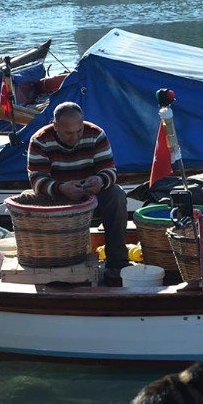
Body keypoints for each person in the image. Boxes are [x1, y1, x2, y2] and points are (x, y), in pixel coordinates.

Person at [27, 102, 130, 282]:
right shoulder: (40, 140)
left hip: (93, 197)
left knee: (116, 195)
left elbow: (110, 171)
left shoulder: (96, 134)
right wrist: (61, 188)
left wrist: (100, 180)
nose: (75, 137)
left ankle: (117, 263)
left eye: (79, 131)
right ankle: (54, 260)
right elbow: (37, 181)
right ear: (55, 126)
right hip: (57, 199)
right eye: (68, 133)